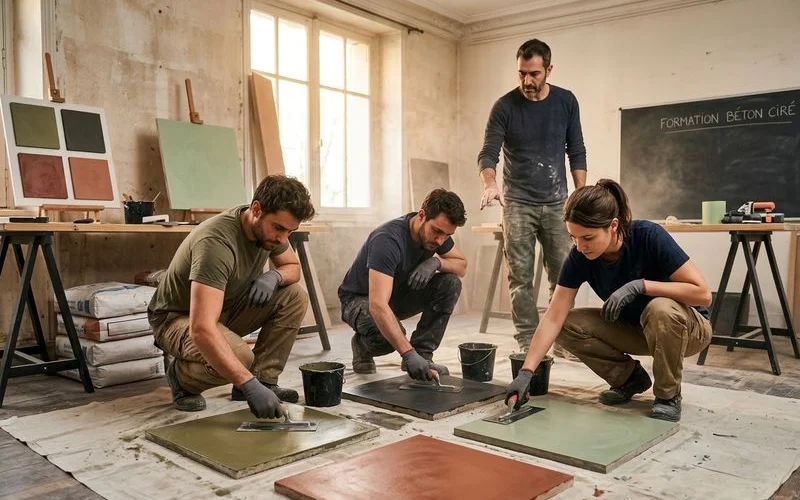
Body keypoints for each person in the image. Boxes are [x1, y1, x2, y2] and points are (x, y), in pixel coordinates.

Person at [504, 179, 712, 422]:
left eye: (588, 237)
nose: (580, 246)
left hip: (688, 329)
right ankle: (629, 379)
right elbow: (553, 317)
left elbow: (703, 294)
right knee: (567, 324)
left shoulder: (648, 235)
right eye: (573, 237)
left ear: (613, 225)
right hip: (639, 330)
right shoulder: (580, 256)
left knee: (660, 307)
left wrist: (641, 286)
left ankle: (668, 396)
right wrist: (526, 372)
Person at [147, 175, 315, 419]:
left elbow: (292, 267)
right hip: (177, 319)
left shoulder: (270, 230)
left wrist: (274, 276)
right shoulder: (216, 244)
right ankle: (181, 378)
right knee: (240, 357)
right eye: (279, 228)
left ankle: (264, 381)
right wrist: (247, 383)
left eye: (290, 231)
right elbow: (201, 328)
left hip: (223, 308)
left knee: (294, 296)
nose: (282, 239)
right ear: (256, 209)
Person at [477, 38, 587, 351]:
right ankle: (527, 340)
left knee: (564, 275)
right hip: (517, 203)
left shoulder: (566, 101)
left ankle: (561, 339)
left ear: (549, 70)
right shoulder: (504, 107)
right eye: (522, 73)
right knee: (520, 277)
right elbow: (488, 153)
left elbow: (576, 150)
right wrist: (490, 184)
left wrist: (581, 195)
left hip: (557, 203)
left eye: (534, 74)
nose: (527, 81)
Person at [339, 189, 468, 380]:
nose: (440, 241)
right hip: (359, 301)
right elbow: (378, 305)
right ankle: (361, 346)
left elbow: (462, 266)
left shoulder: (438, 236)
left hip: (396, 295)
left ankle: (423, 355)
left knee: (450, 283)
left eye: (447, 235)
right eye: (437, 231)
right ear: (421, 215)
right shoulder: (388, 240)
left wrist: (436, 262)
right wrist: (407, 353)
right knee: (388, 338)